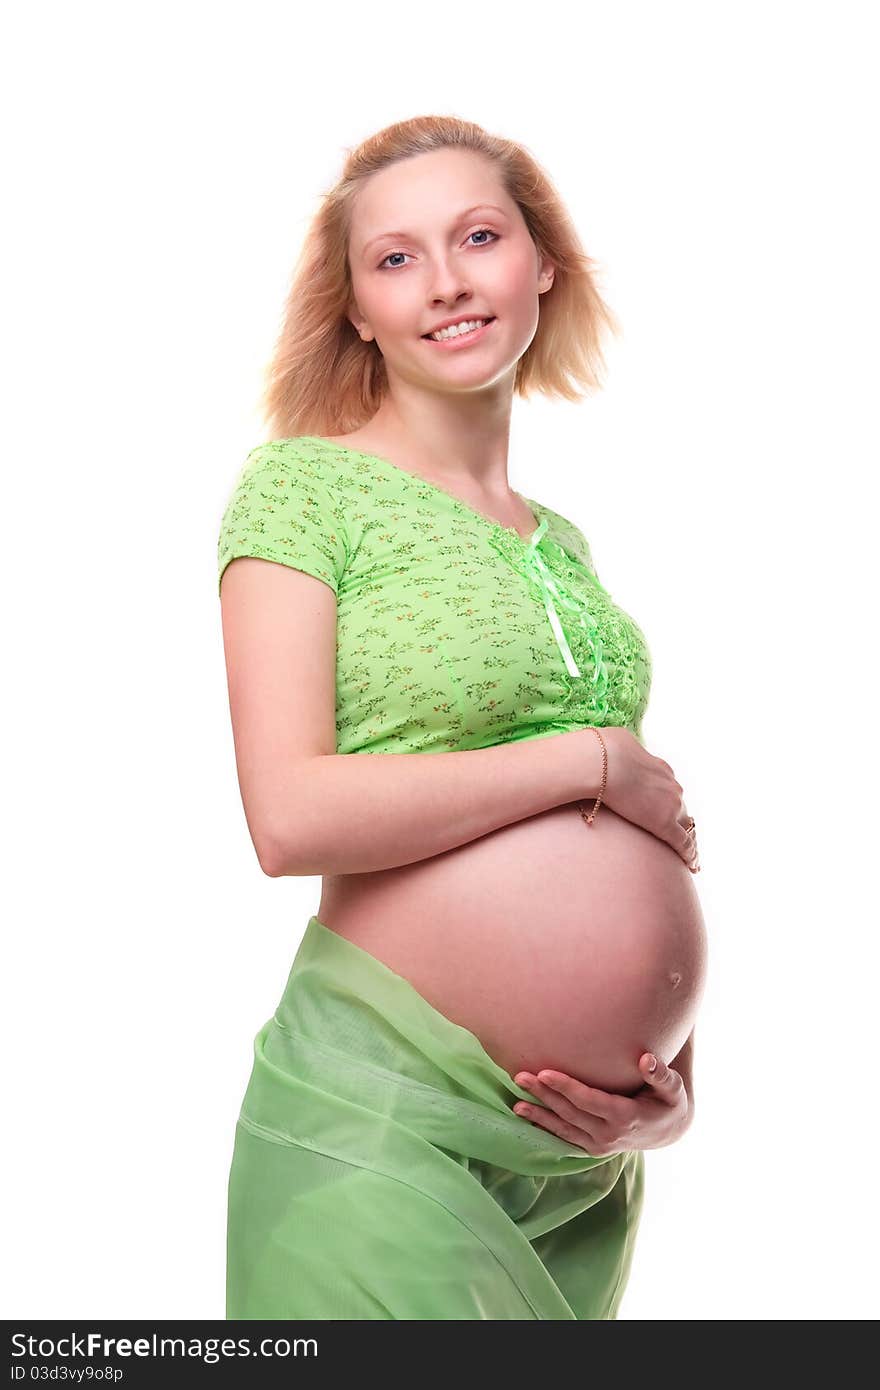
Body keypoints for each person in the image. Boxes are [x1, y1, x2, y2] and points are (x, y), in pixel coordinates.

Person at [217, 114, 703, 1320]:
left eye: (477, 236)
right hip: (379, 1119)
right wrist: (586, 757)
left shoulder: (566, 545)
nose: (444, 282)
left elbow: (631, 848)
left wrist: (672, 1080)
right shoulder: (302, 489)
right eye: (394, 259)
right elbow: (289, 816)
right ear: (355, 308)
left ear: (541, 261)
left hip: (577, 1165)